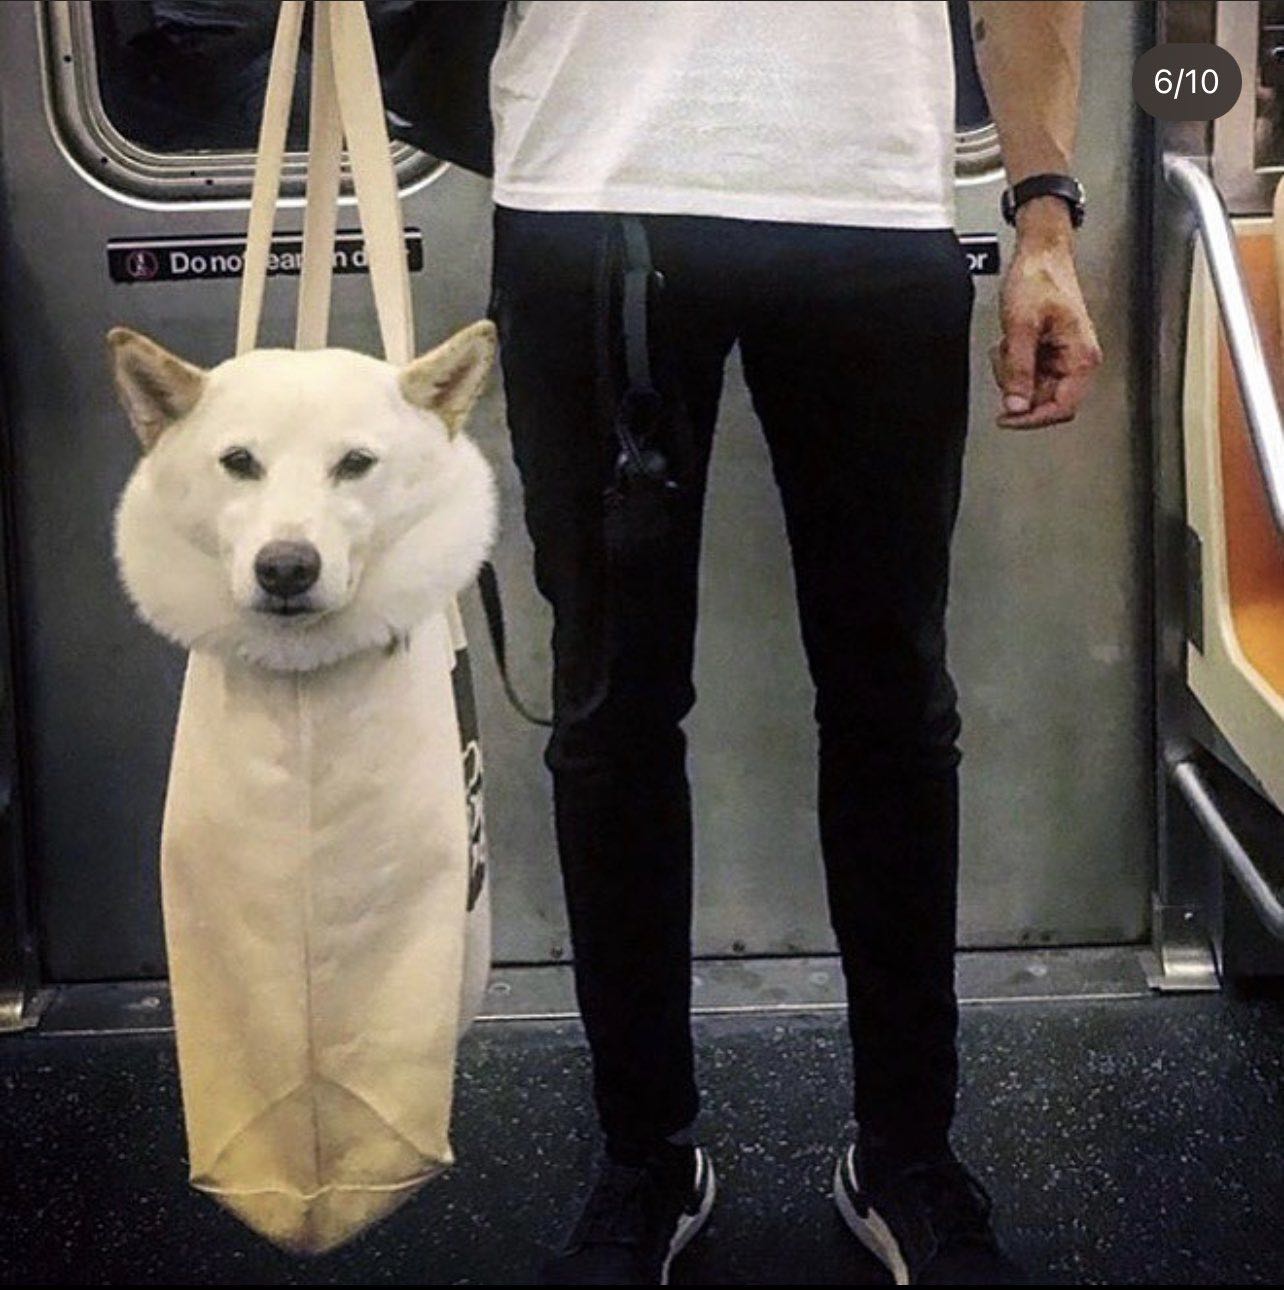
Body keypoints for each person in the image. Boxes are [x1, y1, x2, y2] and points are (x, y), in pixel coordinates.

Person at [485, 2, 1102, 1283]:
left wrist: (1043, 216)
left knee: (895, 703)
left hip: (866, 193)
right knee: (610, 707)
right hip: (589, 183)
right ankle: (645, 1154)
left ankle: (906, 1152)